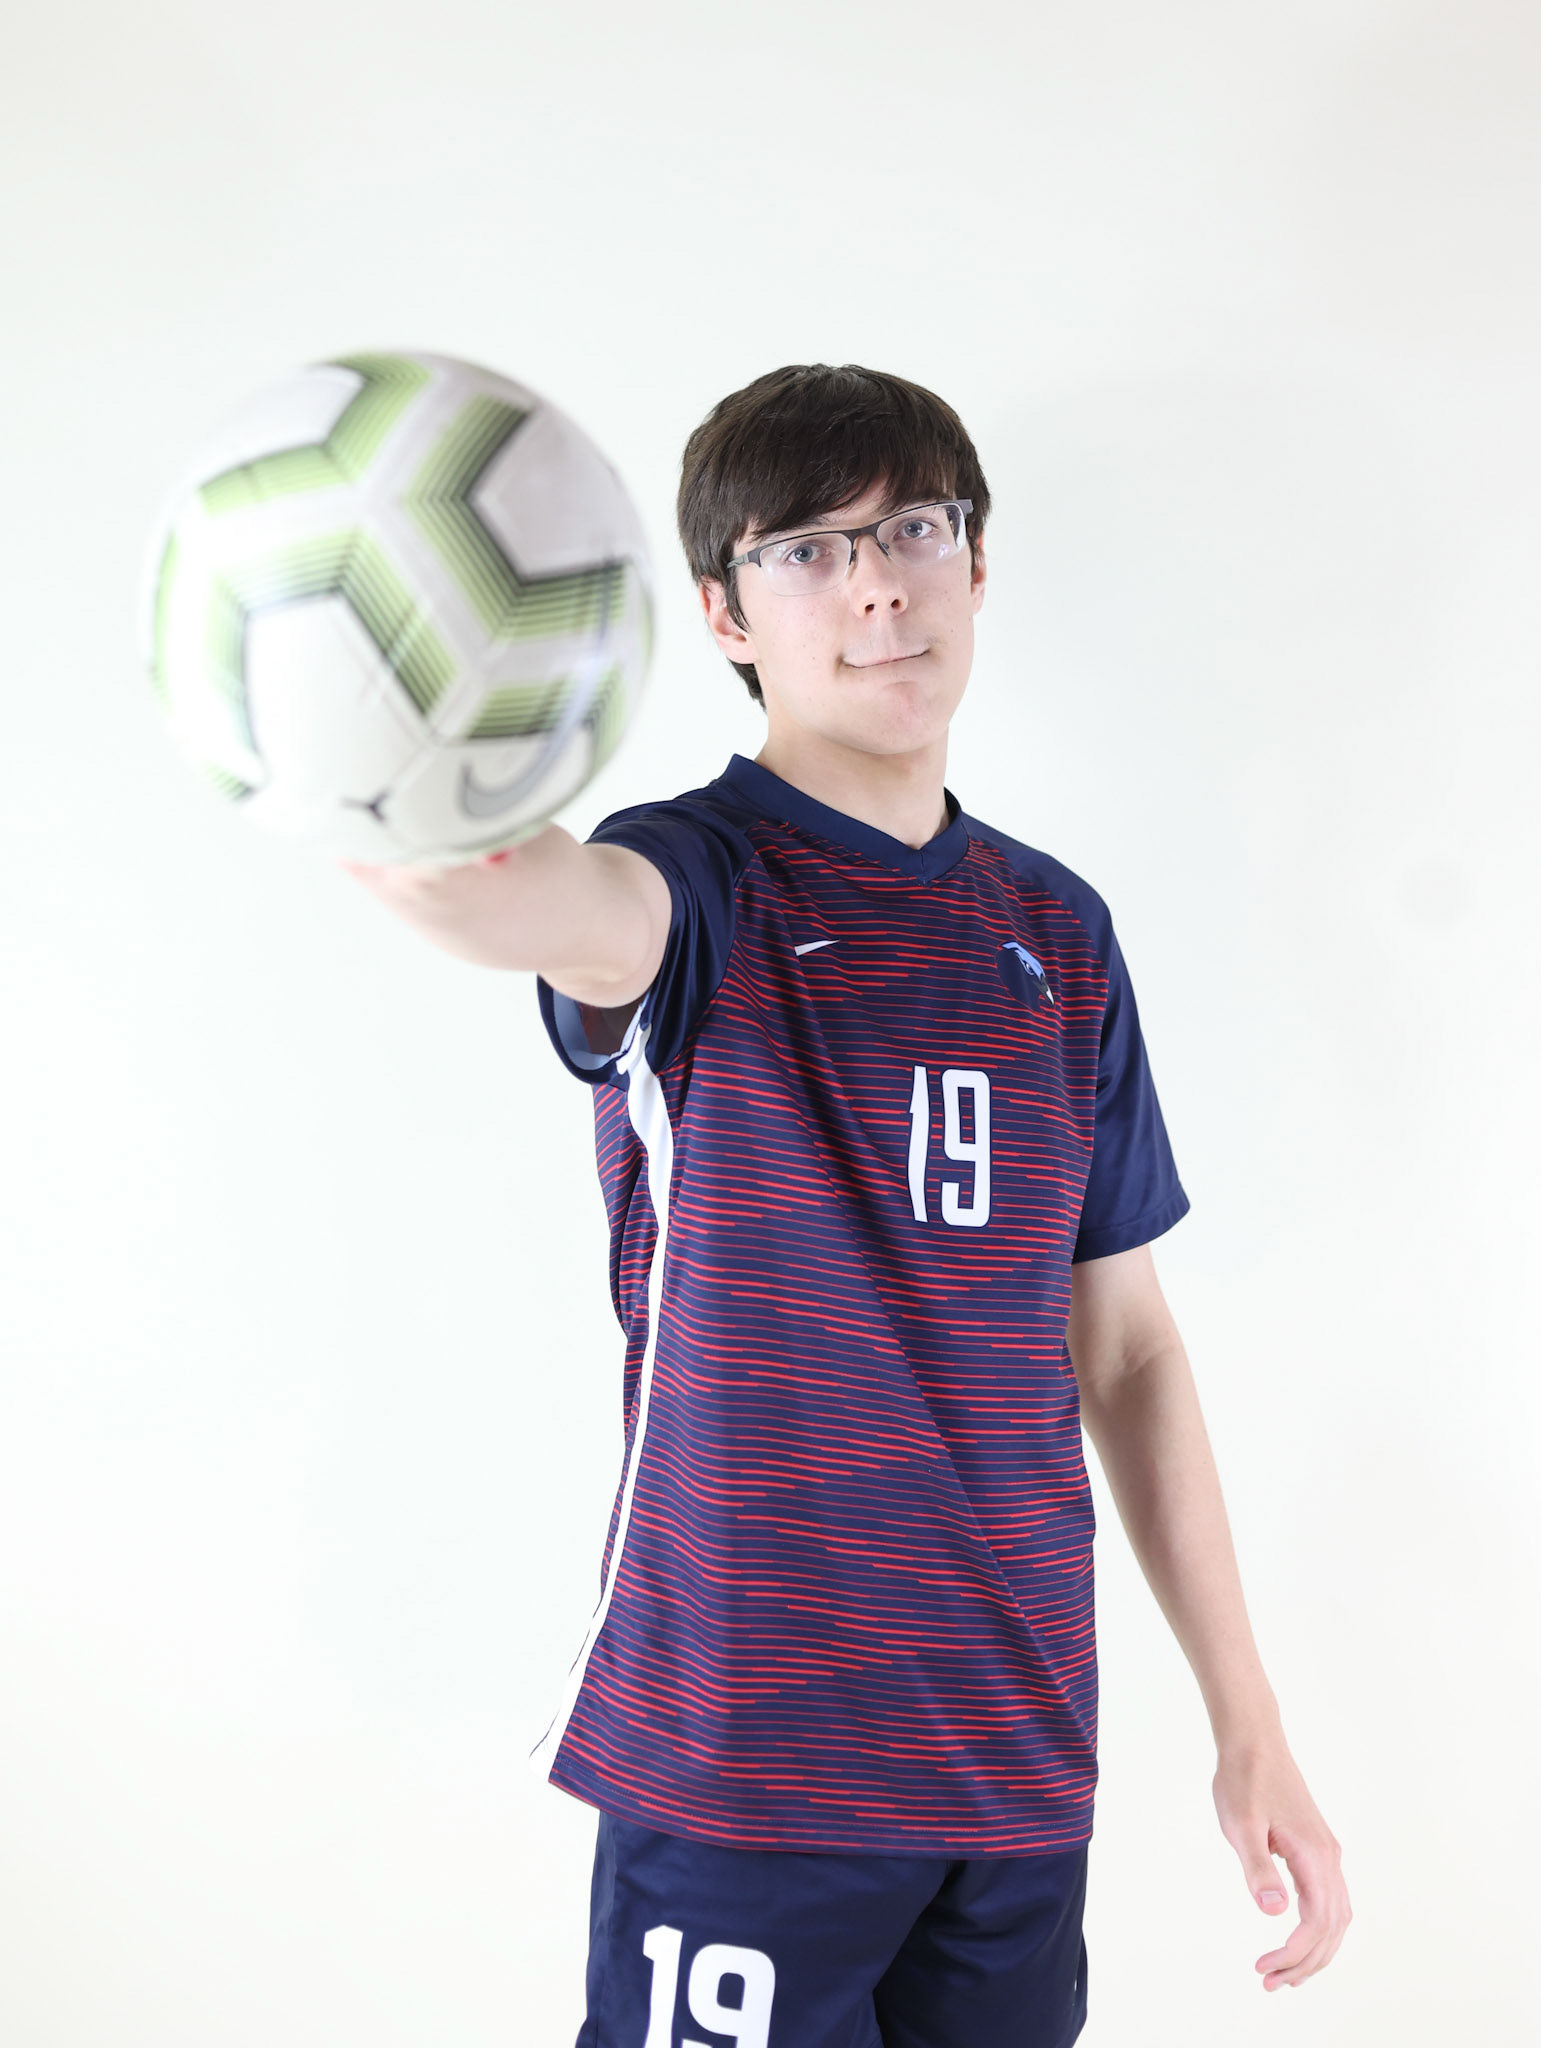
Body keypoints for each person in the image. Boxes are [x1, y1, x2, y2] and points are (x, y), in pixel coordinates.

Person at [346, 362, 1350, 2045]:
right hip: (753, 1756)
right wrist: (398, 804)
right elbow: (541, 908)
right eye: (807, 549)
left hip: (1016, 1760)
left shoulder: (1063, 935)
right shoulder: (700, 882)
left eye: (914, 528)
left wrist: (1247, 1720)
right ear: (726, 612)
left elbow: (1132, 1357)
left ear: (976, 564)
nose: (878, 581)